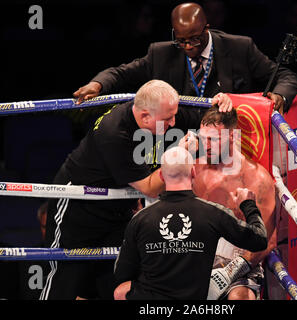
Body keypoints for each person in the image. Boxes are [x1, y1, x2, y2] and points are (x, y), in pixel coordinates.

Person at [40, 79, 225, 300]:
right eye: (168, 118)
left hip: (117, 212)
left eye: (174, 115)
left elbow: (203, 120)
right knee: (65, 282)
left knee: (114, 281)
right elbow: (149, 188)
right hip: (77, 208)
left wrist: (220, 103)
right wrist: (180, 154)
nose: (174, 123)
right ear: (146, 116)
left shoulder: (157, 112)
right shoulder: (115, 134)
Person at [73, 2, 297, 114]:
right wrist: (97, 84)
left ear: (206, 29)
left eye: (195, 39)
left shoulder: (240, 47)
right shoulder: (160, 53)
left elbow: (284, 75)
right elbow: (121, 73)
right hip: (179, 140)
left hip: (231, 138)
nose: (188, 46)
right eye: (182, 41)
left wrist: (280, 95)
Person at [113, 146, 267, 300]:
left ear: (161, 175)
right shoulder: (212, 213)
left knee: (121, 291)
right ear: (193, 172)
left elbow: (122, 273)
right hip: (196, 300)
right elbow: (259, 240)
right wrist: (248, 205)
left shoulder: (141, 218)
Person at [186, 106, 276, 300]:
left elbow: (267, 240)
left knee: (239, 298)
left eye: (213, 139)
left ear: (234, 136)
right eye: (203, 138)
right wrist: (178, 156)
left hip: (240, 260)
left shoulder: (257, 179)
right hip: (197, 254)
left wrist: (231, 271)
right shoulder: (194, 168)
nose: (206, 145)